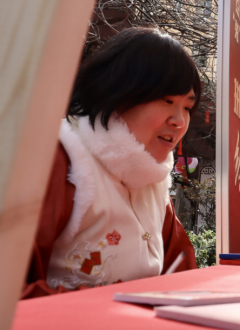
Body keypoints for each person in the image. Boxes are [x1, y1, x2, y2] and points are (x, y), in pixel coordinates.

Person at [23, 27, 198, 299]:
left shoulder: (155, 176)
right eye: (167, 100)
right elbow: (11, 288)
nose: (179, 121)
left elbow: (182, 272)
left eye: (187, 107)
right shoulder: (58, 157)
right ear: (120, 93)